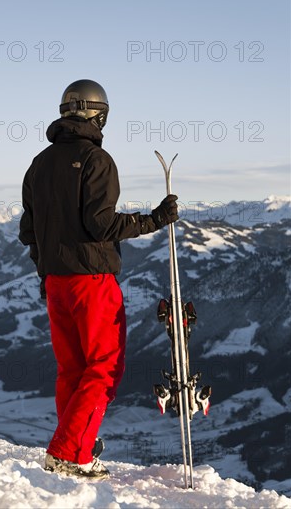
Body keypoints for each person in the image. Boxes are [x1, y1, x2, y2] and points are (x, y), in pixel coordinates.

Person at [19, 79, 179, 479]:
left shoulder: (38, 164)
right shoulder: (96, 160)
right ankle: (70, 451)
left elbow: (29, 230)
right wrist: (154, 220)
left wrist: (46, 271)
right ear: (100, 113)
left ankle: (72, 448)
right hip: (91, 280)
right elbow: (102, 223)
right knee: (104, 367)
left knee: (72, 368)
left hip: (56, 281)